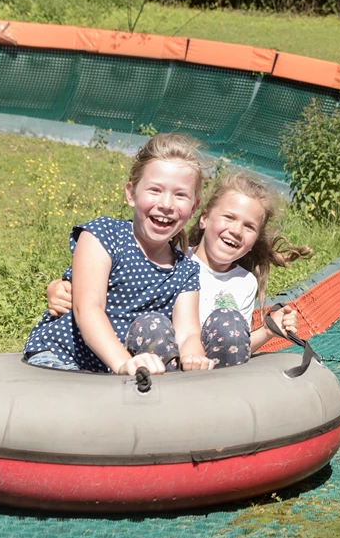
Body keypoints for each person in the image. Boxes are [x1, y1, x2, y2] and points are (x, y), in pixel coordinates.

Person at [45, 171, 312, 368]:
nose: (236, 230)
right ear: (204, 218)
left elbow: (234, 344)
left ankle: (223, 412)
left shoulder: (244, 283)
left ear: (256, 238)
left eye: (249, 226)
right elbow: (109, 281)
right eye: (229, 217)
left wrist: (267, 330)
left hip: (207, 370)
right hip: (159, 357)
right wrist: (59, 287)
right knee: (155, 325)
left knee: (228, 320)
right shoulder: (174, 261)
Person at [24, 133, 214, 375]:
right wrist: (123, 363)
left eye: (180, 195)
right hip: (64, 357)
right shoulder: (103, 236)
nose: (167, 204)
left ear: (194, 207)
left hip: (124, 370)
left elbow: (188, 332)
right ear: (131, 194)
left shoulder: (186, 269)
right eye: (155, 190)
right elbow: (89, 308)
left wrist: (194, 357)